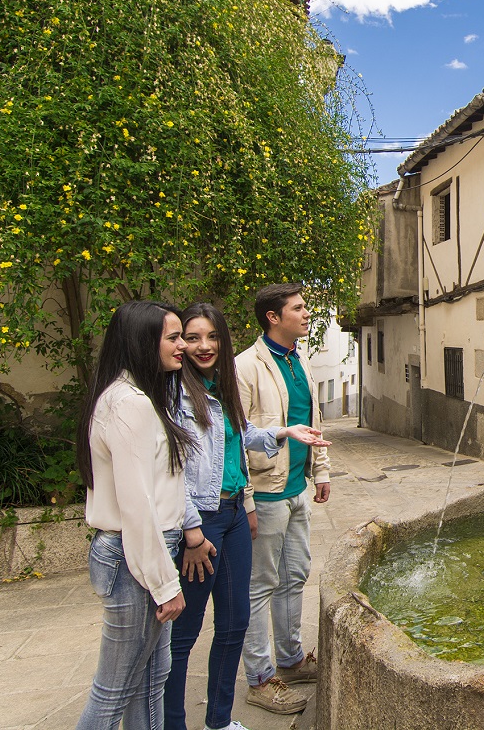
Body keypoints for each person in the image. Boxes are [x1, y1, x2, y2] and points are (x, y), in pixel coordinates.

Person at [165, 302, 330, 730]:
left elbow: (243, 435)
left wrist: (284, 432)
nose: (203, 346)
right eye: (192, 337)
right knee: (184, 635)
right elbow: (171, 469)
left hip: (235, 510)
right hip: (203, 520)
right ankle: (172, 723)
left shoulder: (219, 386)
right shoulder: (174, 394)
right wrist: (193, 531)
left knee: (234, 621)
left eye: (212, 337)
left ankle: (219, 721)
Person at [75, 301, 190, 730]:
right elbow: (137, 506)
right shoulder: (130, 405)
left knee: (150, 680)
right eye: (173, 337)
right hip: (135, 558)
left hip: (139, 554)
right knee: (114, 692)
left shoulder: (131, 397)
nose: (183, 346)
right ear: (143, 341)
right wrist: (164, 585)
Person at [237, 283, 332, 715]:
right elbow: (234, 439)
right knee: (260, 585)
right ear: (274, 317)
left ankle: (291, 660)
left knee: (295, 574)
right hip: (265, 491)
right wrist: (247, 502)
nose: (307, 313)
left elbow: (310, 420)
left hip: (297, 489)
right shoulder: (245, 367)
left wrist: (321, 471)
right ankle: (259, 678)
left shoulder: (300, 360)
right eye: (298, 308)